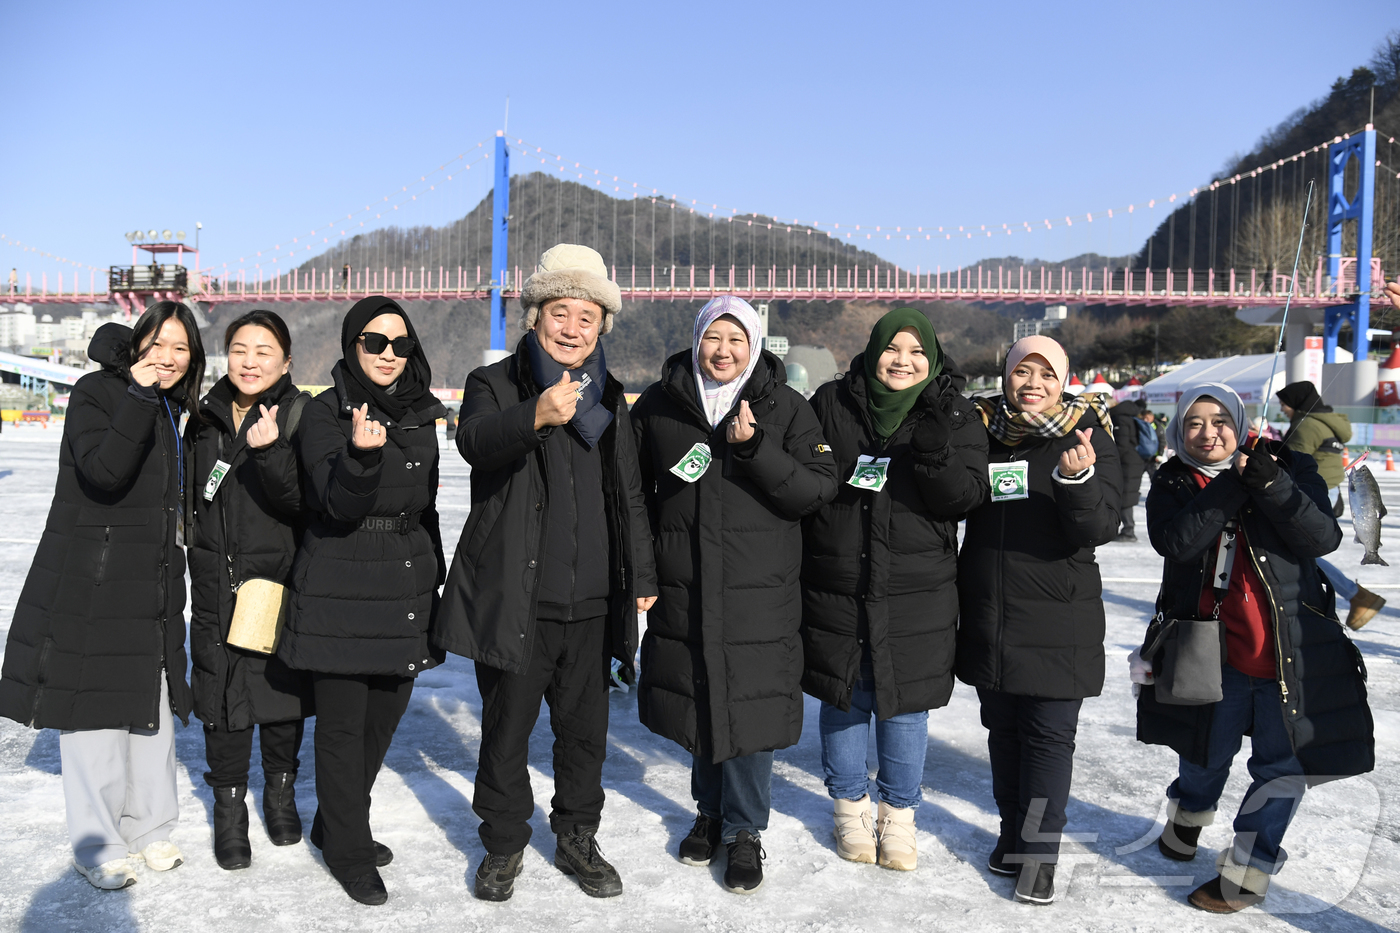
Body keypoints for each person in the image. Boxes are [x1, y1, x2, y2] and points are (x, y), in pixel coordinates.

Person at [435, 244, 657, 902]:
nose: (572, 327)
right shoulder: (497, 384)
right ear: (535, 315)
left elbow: (630, 494)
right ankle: (504, 842)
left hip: (593, 600)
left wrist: (641, 570)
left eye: (586, 317)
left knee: (585, 732)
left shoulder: (610, 396)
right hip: (518, 599)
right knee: (507, 730)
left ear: (601, 328)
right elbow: (472, 442)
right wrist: (534, 415)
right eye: (560, 312)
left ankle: (577, 837)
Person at [1137, 383, 1373, 913]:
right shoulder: (1172, 480)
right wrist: (1232, 488)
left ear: (1242, 424)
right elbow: (1176, 543)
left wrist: (1269, 482)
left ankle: (1247, 872)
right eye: (1194, 422)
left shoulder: (1288, 465)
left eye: (1220, 421)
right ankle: (1189, 815)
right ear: (1178, 428)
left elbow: (1321, 539)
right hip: (1210, 651)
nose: (1207, 433)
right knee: (1205, 754)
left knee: (1281, 768)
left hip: (1292, 651)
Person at [631, 295, 838, 894]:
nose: (723, 351)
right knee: (700, 697)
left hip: (758, 590)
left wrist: (755, 450)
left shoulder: (787, 409)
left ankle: (745, 831)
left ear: (754, 347)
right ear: (697, 341)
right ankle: (710, 813)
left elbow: (814, 491)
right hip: (684, 581)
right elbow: (634, 494)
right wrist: (643, 572)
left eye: (737, 340)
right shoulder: (660, 406)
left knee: (747, 705)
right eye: (713, 338)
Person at [0, 301, 204, 890]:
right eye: (158, 343)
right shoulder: (97, 392)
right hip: (97, 575)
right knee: (94, 710)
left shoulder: (172, 407)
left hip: (156, 576)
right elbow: (103, 472)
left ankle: (150, 827)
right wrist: (139, 397)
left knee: (153, 704)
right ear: (138, 343)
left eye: (180, 348)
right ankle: (97, 842)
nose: (167, 357)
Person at [801, 308, 988, 871]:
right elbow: (806, 478)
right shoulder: (831, 404)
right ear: (873, 349)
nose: (902, 362)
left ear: (931, 358)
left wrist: (934, 455)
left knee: (905, 706)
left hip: (917, 588)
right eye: (892, 349)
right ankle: (850, 810)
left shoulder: (955, 412)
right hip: (839, 578)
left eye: (916, 353)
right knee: (845, 697)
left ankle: (900, 816)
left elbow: (966, 496)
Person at [277, 296, 447, 906]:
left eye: (400, 344)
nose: (388, 354)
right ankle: (347, 847)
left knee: (384, 720)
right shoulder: (326, 413)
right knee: (344, 727)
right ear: (352, 345)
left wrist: (437, 581)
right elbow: (335, 503)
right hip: (341, 584)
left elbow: (425, 507)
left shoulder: (423, 414)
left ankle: (334, 820)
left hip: (404, 585)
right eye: (375, 342)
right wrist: (362, 457)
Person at [956, 335, 1121, 905]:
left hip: (1059, 618)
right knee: (1003, 735)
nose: (1033, 384)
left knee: (1049, 740)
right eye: (1022, 373)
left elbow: (1100, 527)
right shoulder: (980, 432)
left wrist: (1077, 482)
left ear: (1064, 380)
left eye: (1045, 374)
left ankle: (1040, 853)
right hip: (990, 614)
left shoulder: (1089, 434)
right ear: (1005, 378)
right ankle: (1011, 833)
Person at [186, 310, 313, 870]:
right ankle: (228, 807)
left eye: (265, 351)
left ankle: (280, 792)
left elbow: (306, 505)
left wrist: (269, 454)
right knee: (219, 695)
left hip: (276, 582)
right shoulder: (205, 419)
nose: (251, 360)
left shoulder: (303, 417)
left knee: (281, 693)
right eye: (240, 348)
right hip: (215, 578)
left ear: (286, 362)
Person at [1274, 380, 1385, 628]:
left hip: (1311, 491)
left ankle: (1357, 596)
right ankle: (1357, 597)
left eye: (1284, 404)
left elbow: (1290, 462)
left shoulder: (1307, 426)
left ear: (1296, 403)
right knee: (1298, 550)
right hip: (1327, 489)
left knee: (1298, 551)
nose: (1282, 409)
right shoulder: (1325, 420)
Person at [1109, 397, 1149, 541]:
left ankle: (1128, 530)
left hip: (1127, 462)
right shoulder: (1129, 416)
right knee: (1125, 494)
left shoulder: (1120, 418)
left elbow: (1122, 444)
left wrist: (1110, 458)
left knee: (1125, 495)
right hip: (1133, 461)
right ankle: (1126, 529)